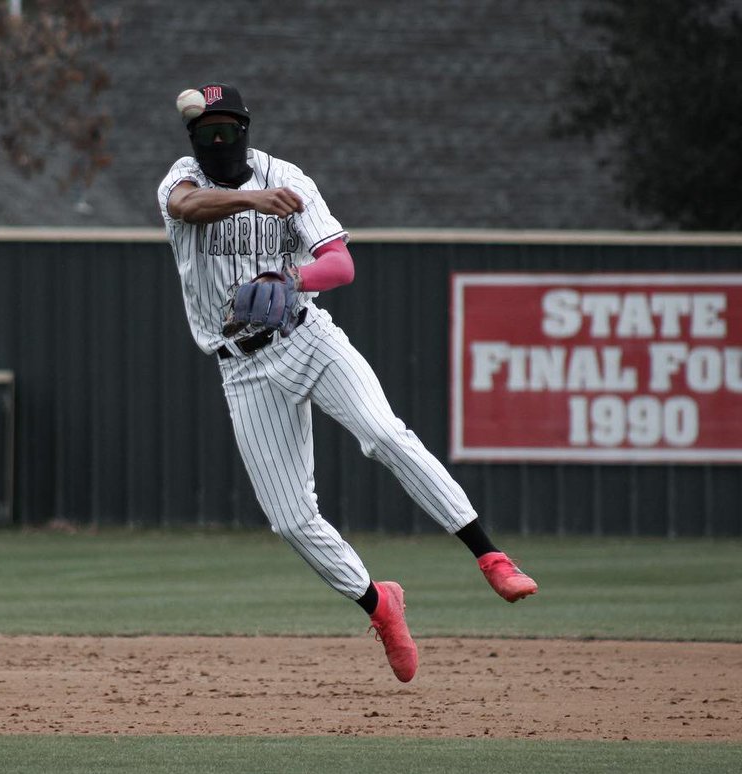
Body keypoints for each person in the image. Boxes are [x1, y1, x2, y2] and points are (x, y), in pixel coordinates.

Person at [157, 83, 537, 683]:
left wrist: (294, 279)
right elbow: (187, 208)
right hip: (242, 366)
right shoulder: (181, 179)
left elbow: (340, 263)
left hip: (306, 336)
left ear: (247, 129)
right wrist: (254, 202)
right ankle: (379, 604)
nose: (219, 139)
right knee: (289, 518)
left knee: (383, 433)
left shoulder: (290, 177)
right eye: (208, 131)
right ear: (193, 140)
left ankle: (490, 555)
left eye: (229, 127)